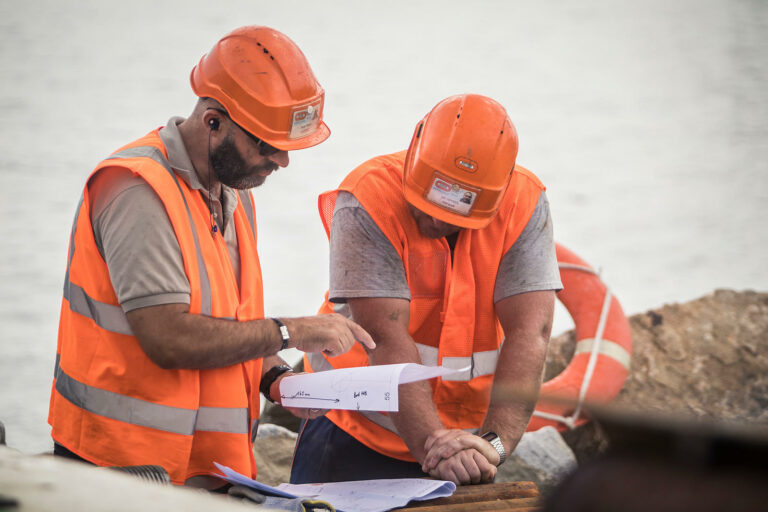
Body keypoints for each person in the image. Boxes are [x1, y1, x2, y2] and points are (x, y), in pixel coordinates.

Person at [47, 26, 374, 489]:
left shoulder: (235, 192)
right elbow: (169, 339)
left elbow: (230, 325)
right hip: (121, 470)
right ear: (213, 121)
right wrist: (293, 331)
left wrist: (278, 380)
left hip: (208, 470)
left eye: (286, 147)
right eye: (267, 145)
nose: (282, 161)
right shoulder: (137, 190)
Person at [291, 94, 562, 485]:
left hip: (467, 444)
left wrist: (494, 444)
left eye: (455, 215)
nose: (435, 221)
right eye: (428, 204)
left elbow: (530, 332)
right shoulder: (367, 197)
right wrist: (433, 447)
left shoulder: (524, 201)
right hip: (355, 428)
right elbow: (385, 338)